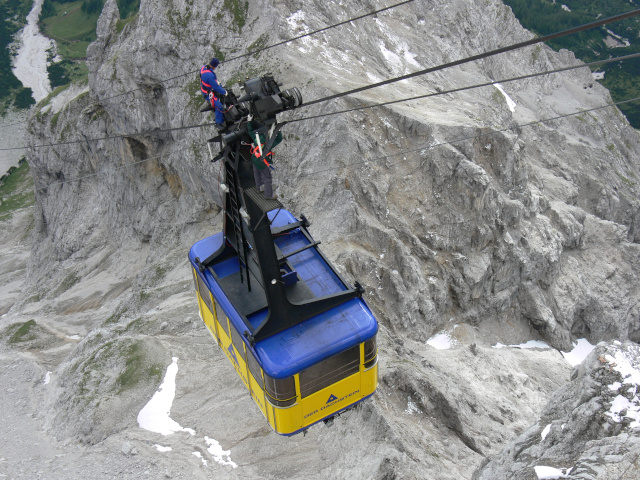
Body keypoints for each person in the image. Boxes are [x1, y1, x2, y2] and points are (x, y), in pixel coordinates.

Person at [247, 121, 283, 199]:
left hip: (254, 158)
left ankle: (259, 188)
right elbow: (279, 139)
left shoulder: (256, 136)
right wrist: (278, 130)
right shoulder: (268, 143)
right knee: (267, 178)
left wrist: (250, 122)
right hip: (262, 161)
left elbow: (250, 131)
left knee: (257, 174)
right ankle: (268, 195)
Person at [200, 58, 227, 126]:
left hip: (205, 88)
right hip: (208, 93)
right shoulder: (210, 76)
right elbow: (215, 87)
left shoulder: (203, 68)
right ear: (215, 66)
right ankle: (218, 122)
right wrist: (224, 92)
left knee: (219, 86)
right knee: (219, 106)